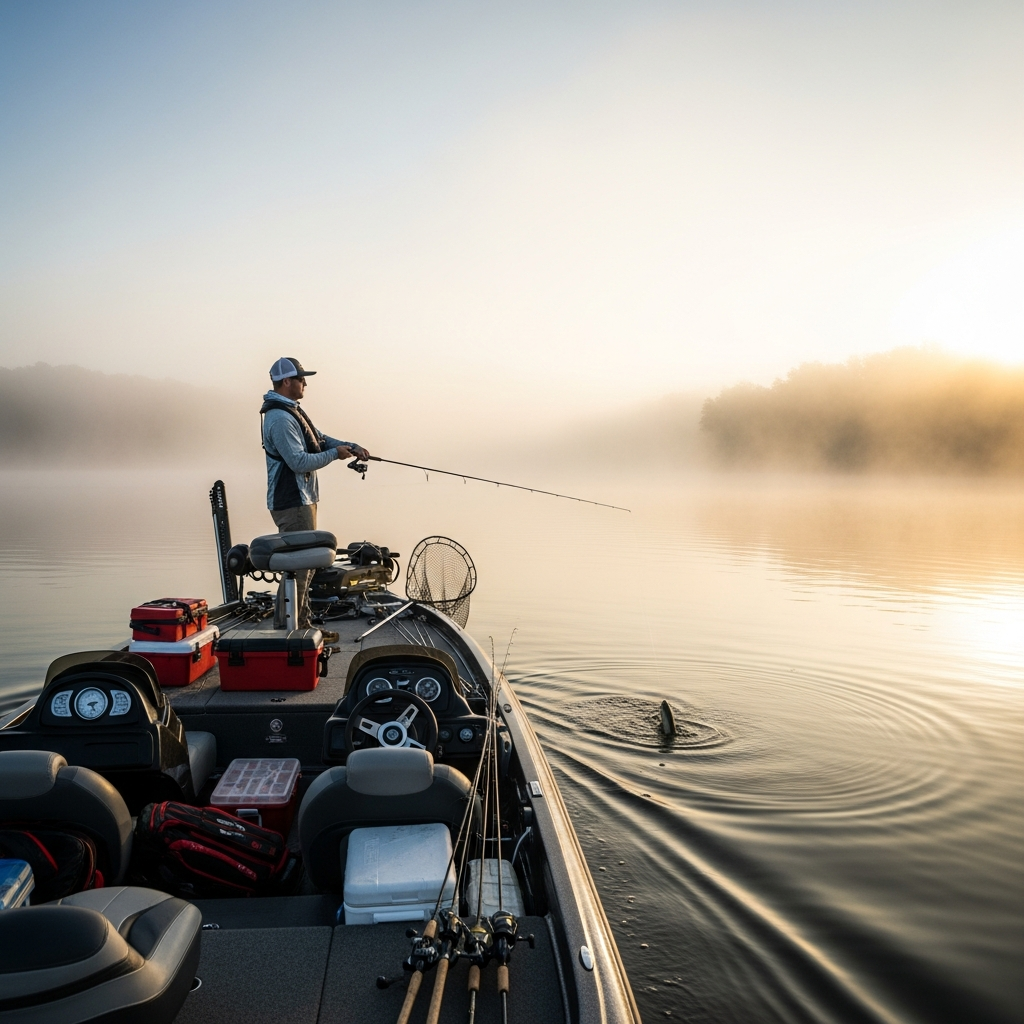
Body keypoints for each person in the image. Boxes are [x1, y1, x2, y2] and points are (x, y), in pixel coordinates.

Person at [261, 357, 369, 636]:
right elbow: (298, 462)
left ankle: (302, 626)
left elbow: (319, 436)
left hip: (303, 500)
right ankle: (290, 632)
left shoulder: (292, 410)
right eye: (300, 379)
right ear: (287, 382)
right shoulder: (280, 419)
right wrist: (335, 455)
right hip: (292, 502)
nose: (305, 383)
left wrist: (349, 445)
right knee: (299, 569)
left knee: (305, 568)